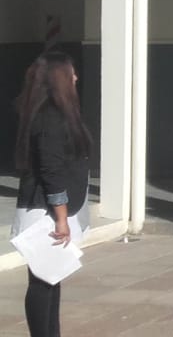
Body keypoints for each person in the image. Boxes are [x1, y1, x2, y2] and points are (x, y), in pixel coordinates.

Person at [13, 52, 93, 337]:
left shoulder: (55, 113)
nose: (75, 78)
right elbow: (51, 170)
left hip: (53, 210)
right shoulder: (50, 118)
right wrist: (61, 218)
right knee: (41, 282)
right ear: (58, 79)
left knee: (51, 277)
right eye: (70, 73)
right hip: (44, 213)